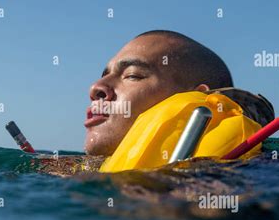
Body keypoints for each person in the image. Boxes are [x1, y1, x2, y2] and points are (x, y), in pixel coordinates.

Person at [84, 30, 234, 156]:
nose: (95, 87)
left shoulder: (221, 183)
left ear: (197, 99)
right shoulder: (72, 171)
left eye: (132, 75)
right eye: (104, 75)